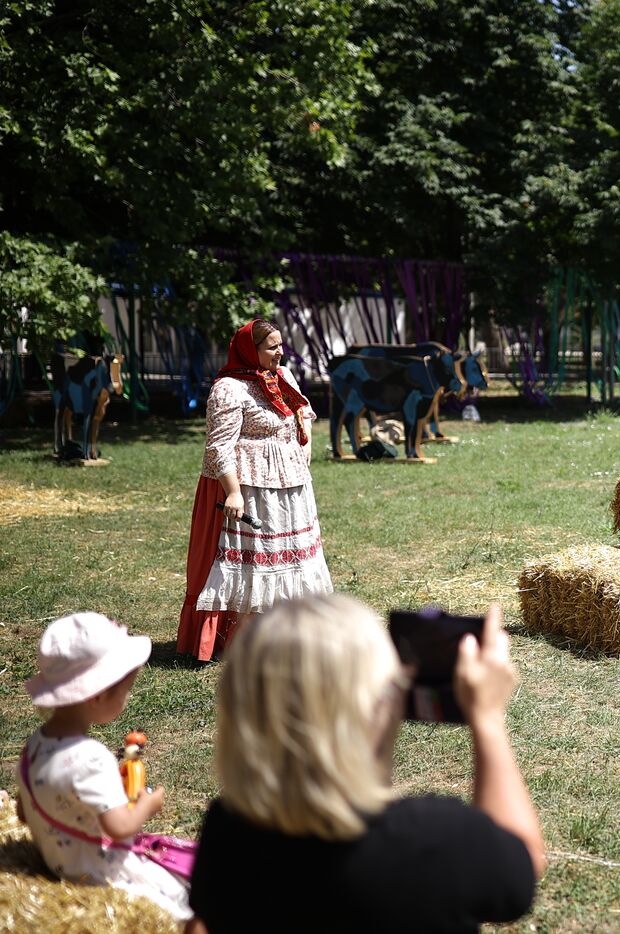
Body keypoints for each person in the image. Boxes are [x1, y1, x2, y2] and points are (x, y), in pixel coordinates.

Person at [186, 594, 544, 933]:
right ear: (374, 710)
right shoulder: (436, 840)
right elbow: (522, 861)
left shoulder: (228, 832)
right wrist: (487, 719)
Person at [17, 612, 192, 921]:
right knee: (191, 899)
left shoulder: (34, 746)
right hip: (104, 875)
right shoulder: (90, 757)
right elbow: (121, 826)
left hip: (60, 863)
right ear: (97, 696)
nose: (129, 696)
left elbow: (21, 811)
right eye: (126, 689)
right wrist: (147, 804)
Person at [176, 318, 332, 660]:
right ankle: (247, 640)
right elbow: (218, 447)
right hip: (253, 488)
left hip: (291, 485)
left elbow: (302, 408)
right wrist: (233, 492)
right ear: (250, 350)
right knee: (257, 563)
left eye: (280, 346)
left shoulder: (284, 377)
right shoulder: (230, 388)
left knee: (292, 559)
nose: (279, 353)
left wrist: (305, 441)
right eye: (271, 348)